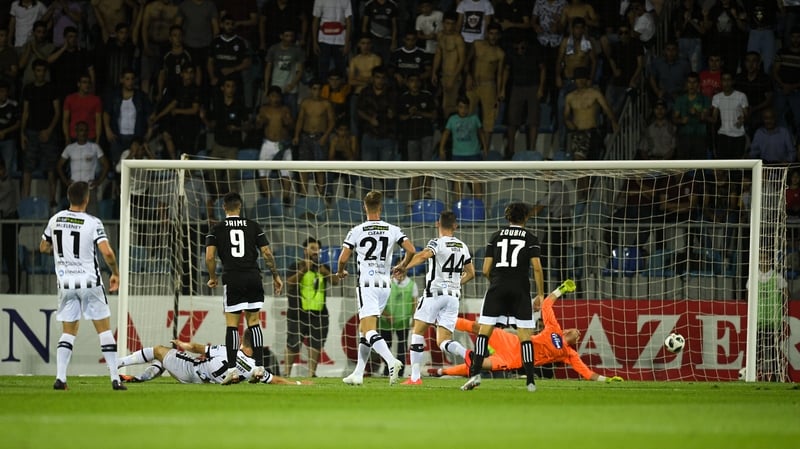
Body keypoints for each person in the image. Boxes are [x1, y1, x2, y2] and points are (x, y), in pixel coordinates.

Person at [434, 280, 623, 384]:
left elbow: (588, 373)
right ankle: (441, 320)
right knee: (478, 327)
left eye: (579, 335)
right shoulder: (554, 328)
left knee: (481, 363)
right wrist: (561, 289)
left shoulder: (569, 354)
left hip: (516, 360)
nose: (578, 332)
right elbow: (547, 304)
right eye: (576, 330)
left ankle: (442, 371)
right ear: (566, 330)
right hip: (514, 343)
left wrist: (608, 380)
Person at [40, 181, 125, 390]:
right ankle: (115, 378)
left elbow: (43, 247)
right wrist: (115, 272)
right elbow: (107, 252)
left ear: (69, 198)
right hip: (89, 282)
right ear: (87, 199)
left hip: (66, 283)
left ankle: (61, 378)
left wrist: (61, 253)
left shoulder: (55, 219)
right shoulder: (93, 222)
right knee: (104, 331)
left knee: (68, 332)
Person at [462, 201, 545, 392]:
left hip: (498, 286)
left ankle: (474, 376)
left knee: (484, 332)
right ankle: (530, 381)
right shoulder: (531, 237)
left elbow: (484, 270)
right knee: (525, 336)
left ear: (507, 217)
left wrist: (496, 283)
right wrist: (540, 294)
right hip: (520, 289)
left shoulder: (496, 236)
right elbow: (537, 268)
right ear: (526, 217)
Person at [336, 190, 417, 385]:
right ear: (380, 208)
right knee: (365, 331)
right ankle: (358, 373)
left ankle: (391, 361)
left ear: (365, 207)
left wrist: (340, 272)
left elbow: (343, 258)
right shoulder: (393, 229)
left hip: (367, 284)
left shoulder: (357, 230)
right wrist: (403, 265)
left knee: (368, 330)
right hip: (385, 284)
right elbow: (412, 250)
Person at [205, 191, 284, 385]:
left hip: (232, 278)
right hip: (252, 277)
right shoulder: (253, 226)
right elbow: (266, 252)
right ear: (240, 207)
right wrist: (275, 275)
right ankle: (259, 367)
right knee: (254, 322)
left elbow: (209, 257)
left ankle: (232, 370)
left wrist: (213, 277)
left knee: (232, 325)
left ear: (224, 207)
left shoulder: (216, 229)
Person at [397, 211, 475, 385]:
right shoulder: (463, 246)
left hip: (434, 294)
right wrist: (454, 284)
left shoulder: (436, 243)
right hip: (453, 297)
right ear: (455, 226)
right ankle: (467, 354)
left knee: (417, 332)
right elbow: (471, 273)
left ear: (437, 224)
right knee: (443, 340)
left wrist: (404, 266)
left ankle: (415, 377)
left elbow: (424, 255)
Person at [118, 328, 311, 385]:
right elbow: (274, 380)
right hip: (204, 381)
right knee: (163, 361)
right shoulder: (255, 367)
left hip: (191, 371)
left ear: (242, 343)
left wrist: (185, 344)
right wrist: (298, 384)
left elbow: (199, 348)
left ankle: (118, 363)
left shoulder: (228, 349)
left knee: (159, 350)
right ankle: (141, 378)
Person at [285, 237, 340, 378]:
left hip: (319, 313)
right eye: (313, 248)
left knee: (316, 344)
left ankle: (311, 373)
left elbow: (335, 281)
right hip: (298, 313)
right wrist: (304, 270)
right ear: (305, 250)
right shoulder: (296, 266)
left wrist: (325, 272)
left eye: (318, 249)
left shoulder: (323, 267)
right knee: (293, 343)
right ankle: (286, 373)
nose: (316, 251)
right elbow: (289, 283)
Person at [745, 251, 788, 382]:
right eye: (761, 258)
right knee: (757, 352)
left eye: (765, 258)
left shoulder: (777, 277)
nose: (763, 261)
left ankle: (776, 377)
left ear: (770, 260)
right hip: (757, 321)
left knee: (774, 352)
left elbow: (786, 294)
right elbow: (748, 295)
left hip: (773, 321)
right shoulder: (753, 277)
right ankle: (754, 376)